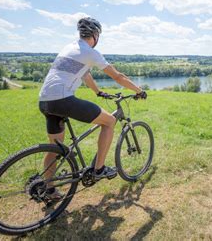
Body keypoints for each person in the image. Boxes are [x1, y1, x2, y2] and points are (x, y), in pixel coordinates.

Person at [38, 17, 146, 200]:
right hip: (62, 99)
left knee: (56, 147)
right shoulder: (90, 52)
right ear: (95, 35)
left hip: (45, 101)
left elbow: (85, 74)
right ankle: (99, 169)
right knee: (110, 121)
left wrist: (98, 92)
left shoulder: (70, 48)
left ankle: (48, 190)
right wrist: (139, 90)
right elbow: (118, 76)